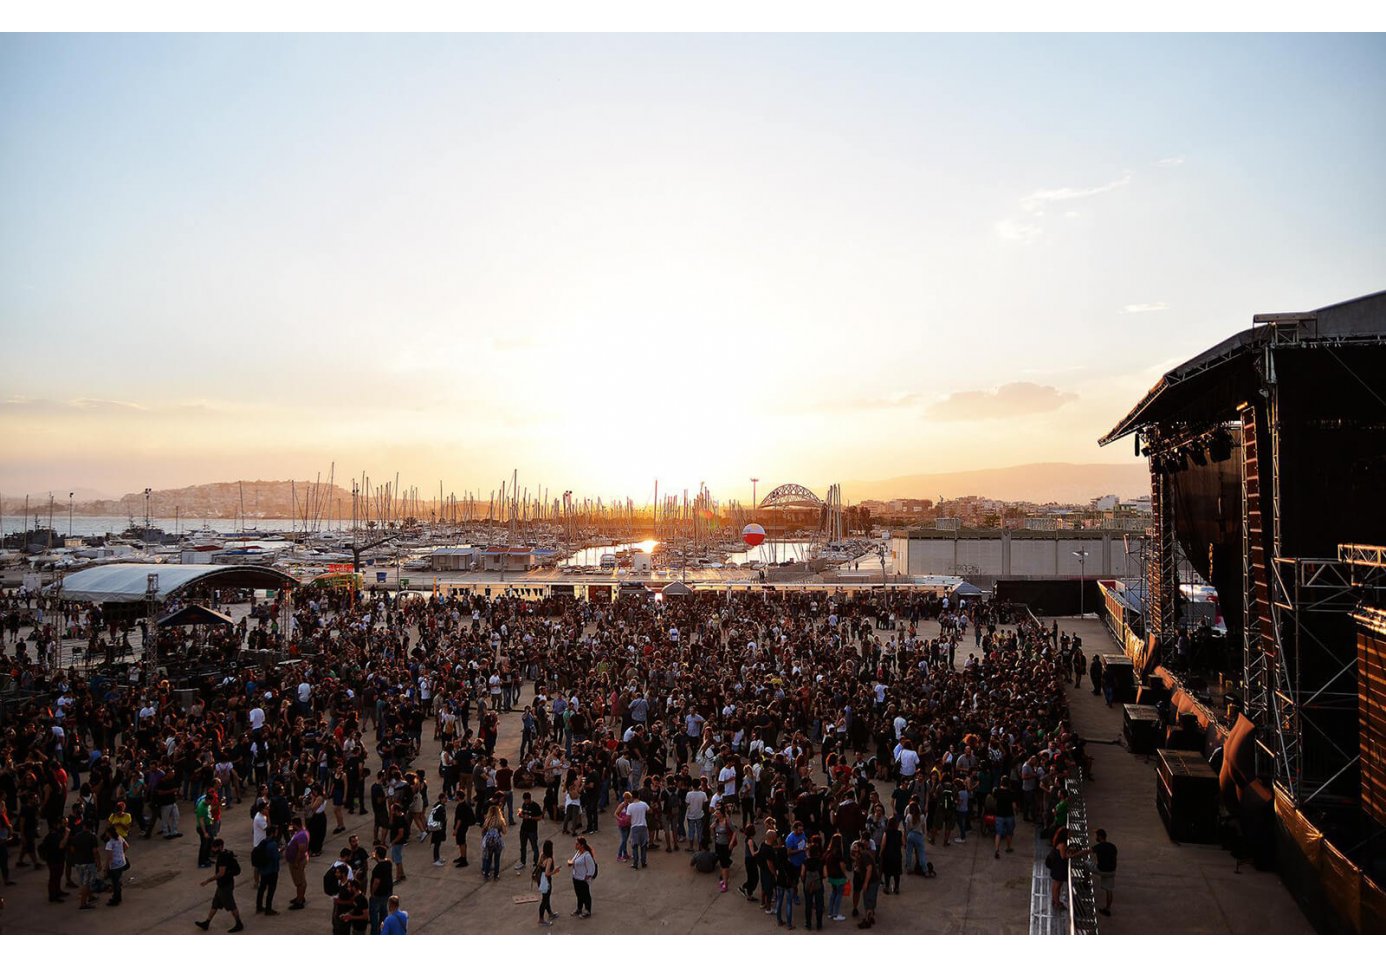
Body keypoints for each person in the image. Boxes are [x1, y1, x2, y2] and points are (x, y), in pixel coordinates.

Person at [195, 838, 246, 933]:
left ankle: (239, 923)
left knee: (231, 905)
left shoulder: (222, 857)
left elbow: (221, 873)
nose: (213, 850)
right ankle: (207, 922)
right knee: (215, 904)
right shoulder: (226, 853)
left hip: (225, 885)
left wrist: (208, 880)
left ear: (220, 847)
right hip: (224, 884)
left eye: (214, 847)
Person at [253, 824, 281, 916]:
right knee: (271, 890)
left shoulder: (263, 842)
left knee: (262, 889)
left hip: (263, 870)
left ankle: (259, 906)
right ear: (273, 833)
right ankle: (268, 909)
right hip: (272, 870)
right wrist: (280, 851)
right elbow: (276, 857)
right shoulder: (273, 844)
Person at [285, 817, 310, 909]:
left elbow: (301, 850)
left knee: (300, 882)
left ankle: (300, 901)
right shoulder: (299, 833)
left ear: (295, 825)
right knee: (299, 881)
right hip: (296, 860)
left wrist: (296, 862)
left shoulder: (301, 835)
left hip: (298, 862)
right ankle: (299, 897)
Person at [1092, 828, 1118, 917]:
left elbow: (1086, 851)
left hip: (1101, 870)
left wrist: (1073, 854)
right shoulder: (1112, 846)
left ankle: (1085, 882)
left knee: (1086, 864)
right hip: (1111, 871)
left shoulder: (1099, 846)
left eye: (1096, 836)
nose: (1095, 838)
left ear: (1099, 837)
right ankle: (1107, 909)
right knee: (1109, 890)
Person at [368, 844, 393, 935]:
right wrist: (376, 858)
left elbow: (376, 882)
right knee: (384, 911)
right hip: (387, 892)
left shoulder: (377, 869)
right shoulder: (388, 863)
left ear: (377, 854)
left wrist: (372, 893)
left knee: (374, 915)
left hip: (378, 894)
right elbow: (386, 860)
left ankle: (375, 933)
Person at [569, 836, 596, 918]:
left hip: (582, 879)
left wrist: (587, 877)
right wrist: (571, 863)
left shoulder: (587, 856)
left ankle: (588, 910)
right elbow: (574, 860)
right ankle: (579, 908)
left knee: (586, 895)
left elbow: (592, 868)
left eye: (577, 844)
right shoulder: (578, 852)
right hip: (576, 877)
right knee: (579, 894)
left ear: (582, 845)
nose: (575, 845)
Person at [102, 825, 129, 907]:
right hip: (122, 862)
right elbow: (127, 846)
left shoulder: (109, 843)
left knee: (115, 882)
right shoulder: (120, 838)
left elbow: (109, 858)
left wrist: (106, 869)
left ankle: (116, 898)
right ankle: (118, 897)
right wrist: (122, 854)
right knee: (118, 880)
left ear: (108, 833)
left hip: (115, 865)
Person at [480, 802, 507, 881]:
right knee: (497, 859)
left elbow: (483, 831)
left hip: (489, 842)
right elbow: (504, 831)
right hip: (497, 842)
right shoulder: (500, 821)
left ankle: (486, 874)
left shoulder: (488, 820)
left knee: (488, 858)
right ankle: (496, 875)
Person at [993, 776, 1017, 859]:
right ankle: (1008, 847)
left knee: (998, 833)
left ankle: (997, 850)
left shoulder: (997, 791)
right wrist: (1016, 811)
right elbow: (1014, 806)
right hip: (1009, 815)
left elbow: (994, 801)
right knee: (1009, 833)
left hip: (999, 815)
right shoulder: (1011, 792)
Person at [626, 787, 650, 869]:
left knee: (635, 846)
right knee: (643, 846)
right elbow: (650, 811)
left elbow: (628, 818)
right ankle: (643, 862)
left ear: (632, 797)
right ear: (639, 796)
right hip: (643, 826)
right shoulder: (644, 804)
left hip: (635, 827)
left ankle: (635, 864)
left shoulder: (630, 807)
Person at [536, 839, 558, 927]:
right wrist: (555, 871)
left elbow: (538, 864)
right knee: (545, 899)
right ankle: (541, 919)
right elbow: (547, 873)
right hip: (546, 880)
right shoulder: (549, 859)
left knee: (546, 897)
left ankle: (550, 913)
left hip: (539, 879)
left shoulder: (542, 855)